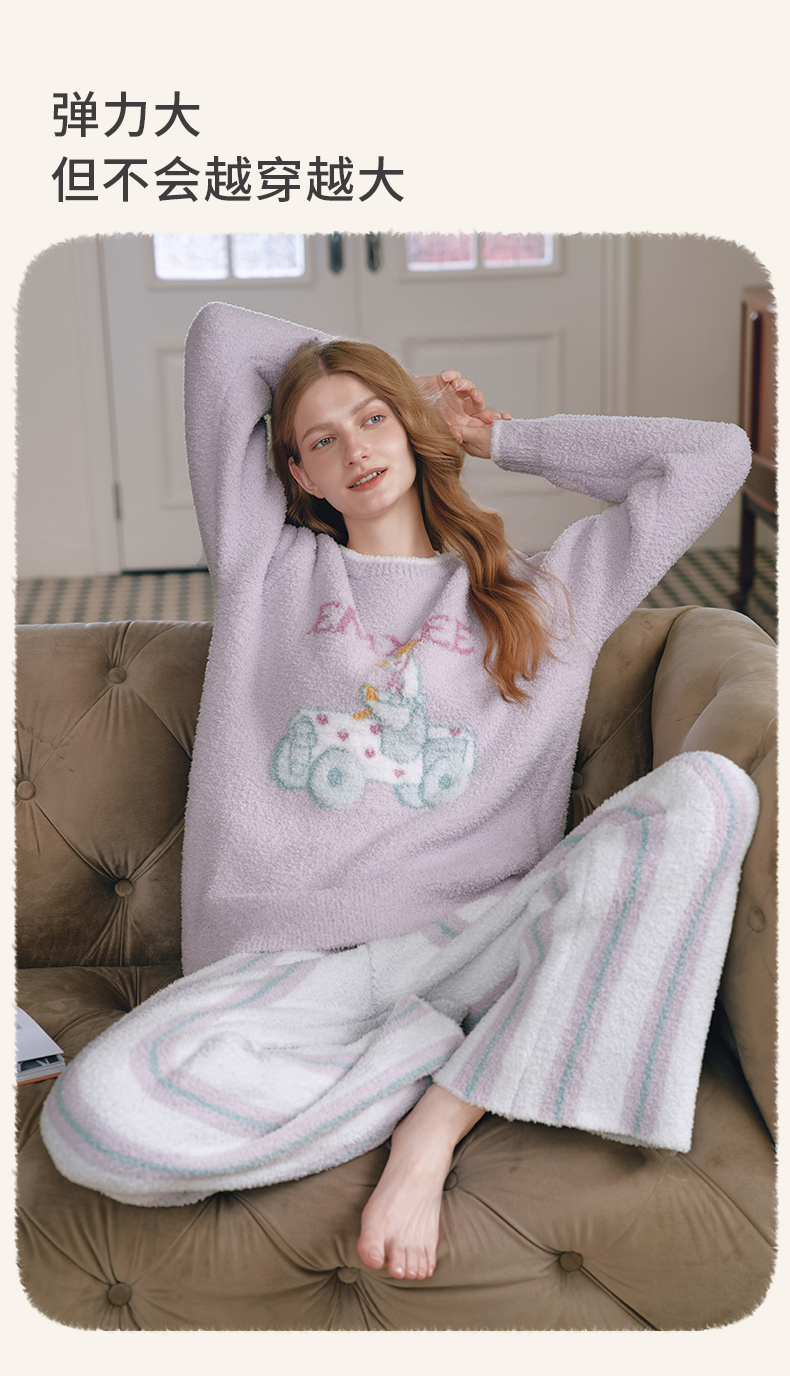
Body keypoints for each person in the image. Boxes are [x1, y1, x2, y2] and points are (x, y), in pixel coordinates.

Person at [41, 302, 759, 1286]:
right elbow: (220, 335)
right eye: (322, 439)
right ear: (298, 474)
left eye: (373, 420)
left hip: (470, 946)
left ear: (411, 431)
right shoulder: (267, 568)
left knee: (709, 793)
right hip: (286, 969)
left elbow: (713, 456)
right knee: (98, 1125)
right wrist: (373, 377)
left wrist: (490, 435)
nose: (355, 449)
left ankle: (437, 1119)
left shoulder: (543, 596)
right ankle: (427, 1062)